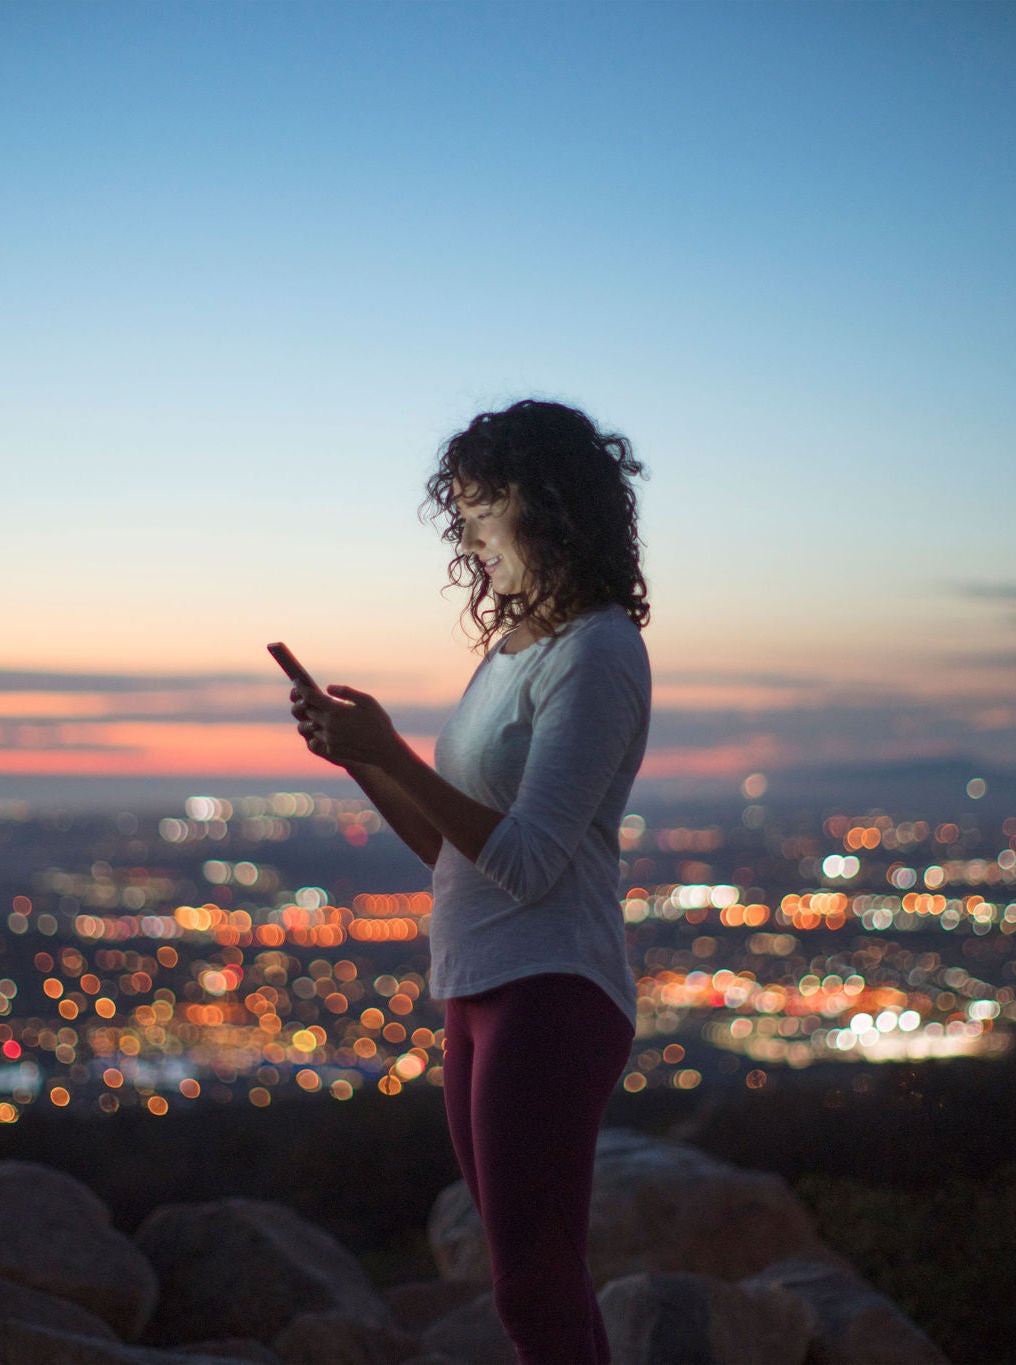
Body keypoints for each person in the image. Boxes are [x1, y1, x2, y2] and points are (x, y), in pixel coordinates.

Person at [287, 399, 651, 1365]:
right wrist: (359, 758)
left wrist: (395, 752)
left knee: (533, 1285)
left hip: (553, 986)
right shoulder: (510, 656)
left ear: (548, 508)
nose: (470, 534)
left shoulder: (598, 652)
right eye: (462, 511)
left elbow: (530, 861)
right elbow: (452, 851)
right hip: (479, 980)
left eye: (484, 508)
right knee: (531, 1277)